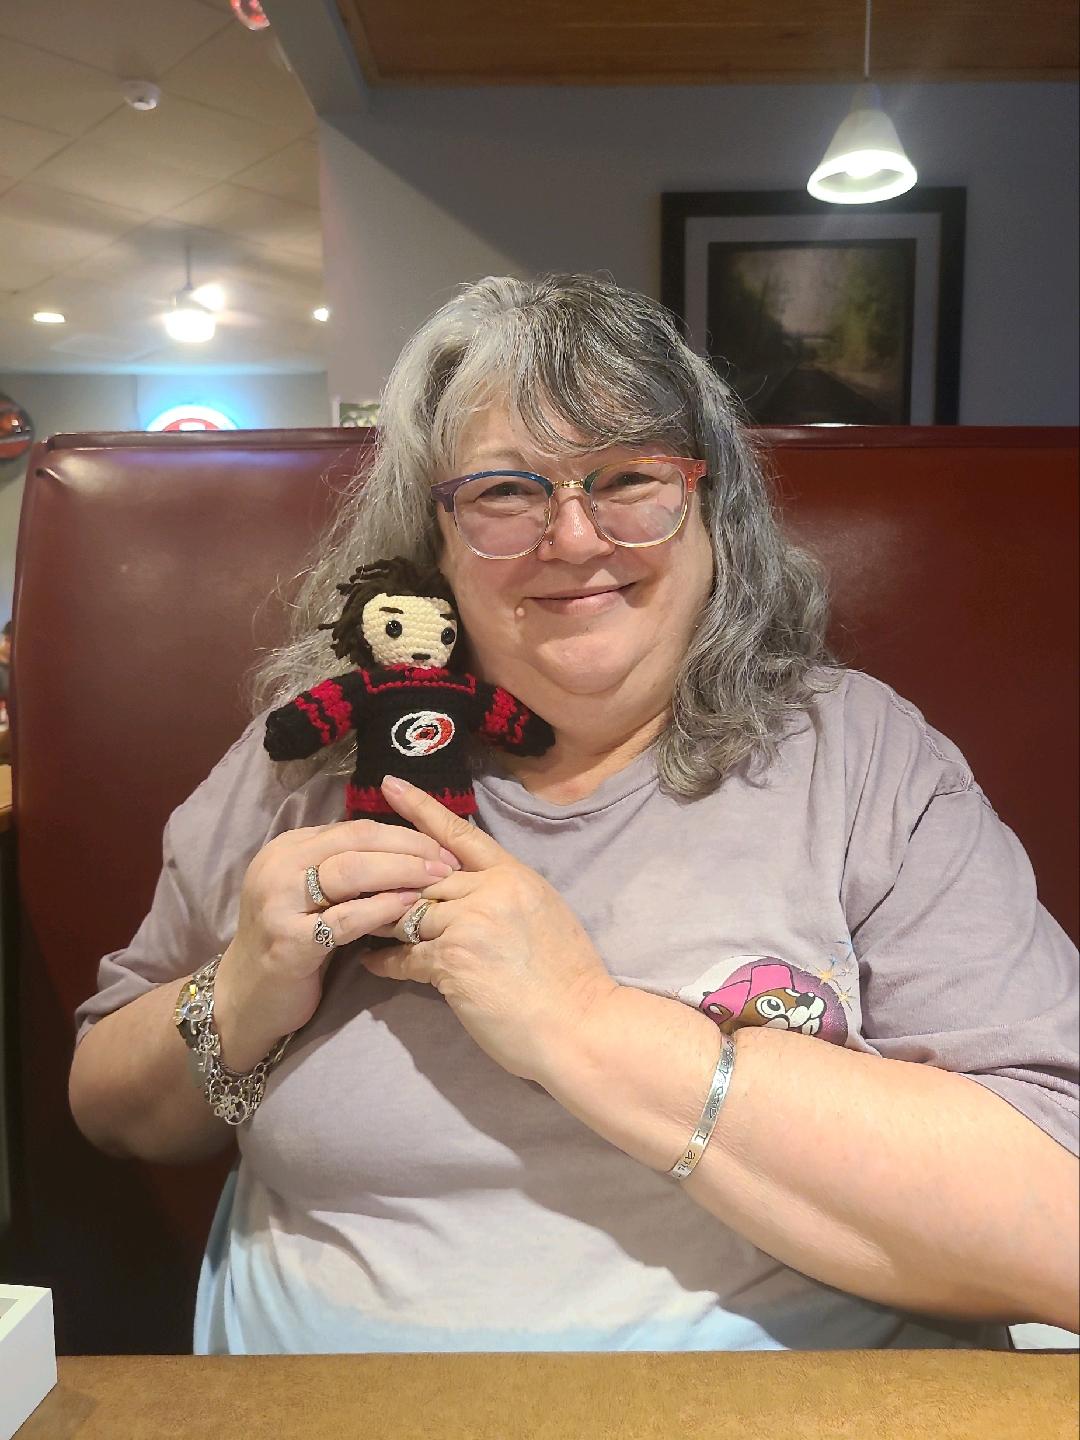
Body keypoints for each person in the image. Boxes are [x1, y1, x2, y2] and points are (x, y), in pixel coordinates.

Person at [69, 274, 1079, 1355]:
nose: (576, 536)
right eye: (506, 492)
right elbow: (112, 1110)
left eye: (630, 478)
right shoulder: (310, 761)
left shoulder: (859, 755)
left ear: (712, 510)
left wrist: (582, 1022)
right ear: (432, 540)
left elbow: (1056, 1229)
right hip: (306, 1411)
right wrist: (241, 992)